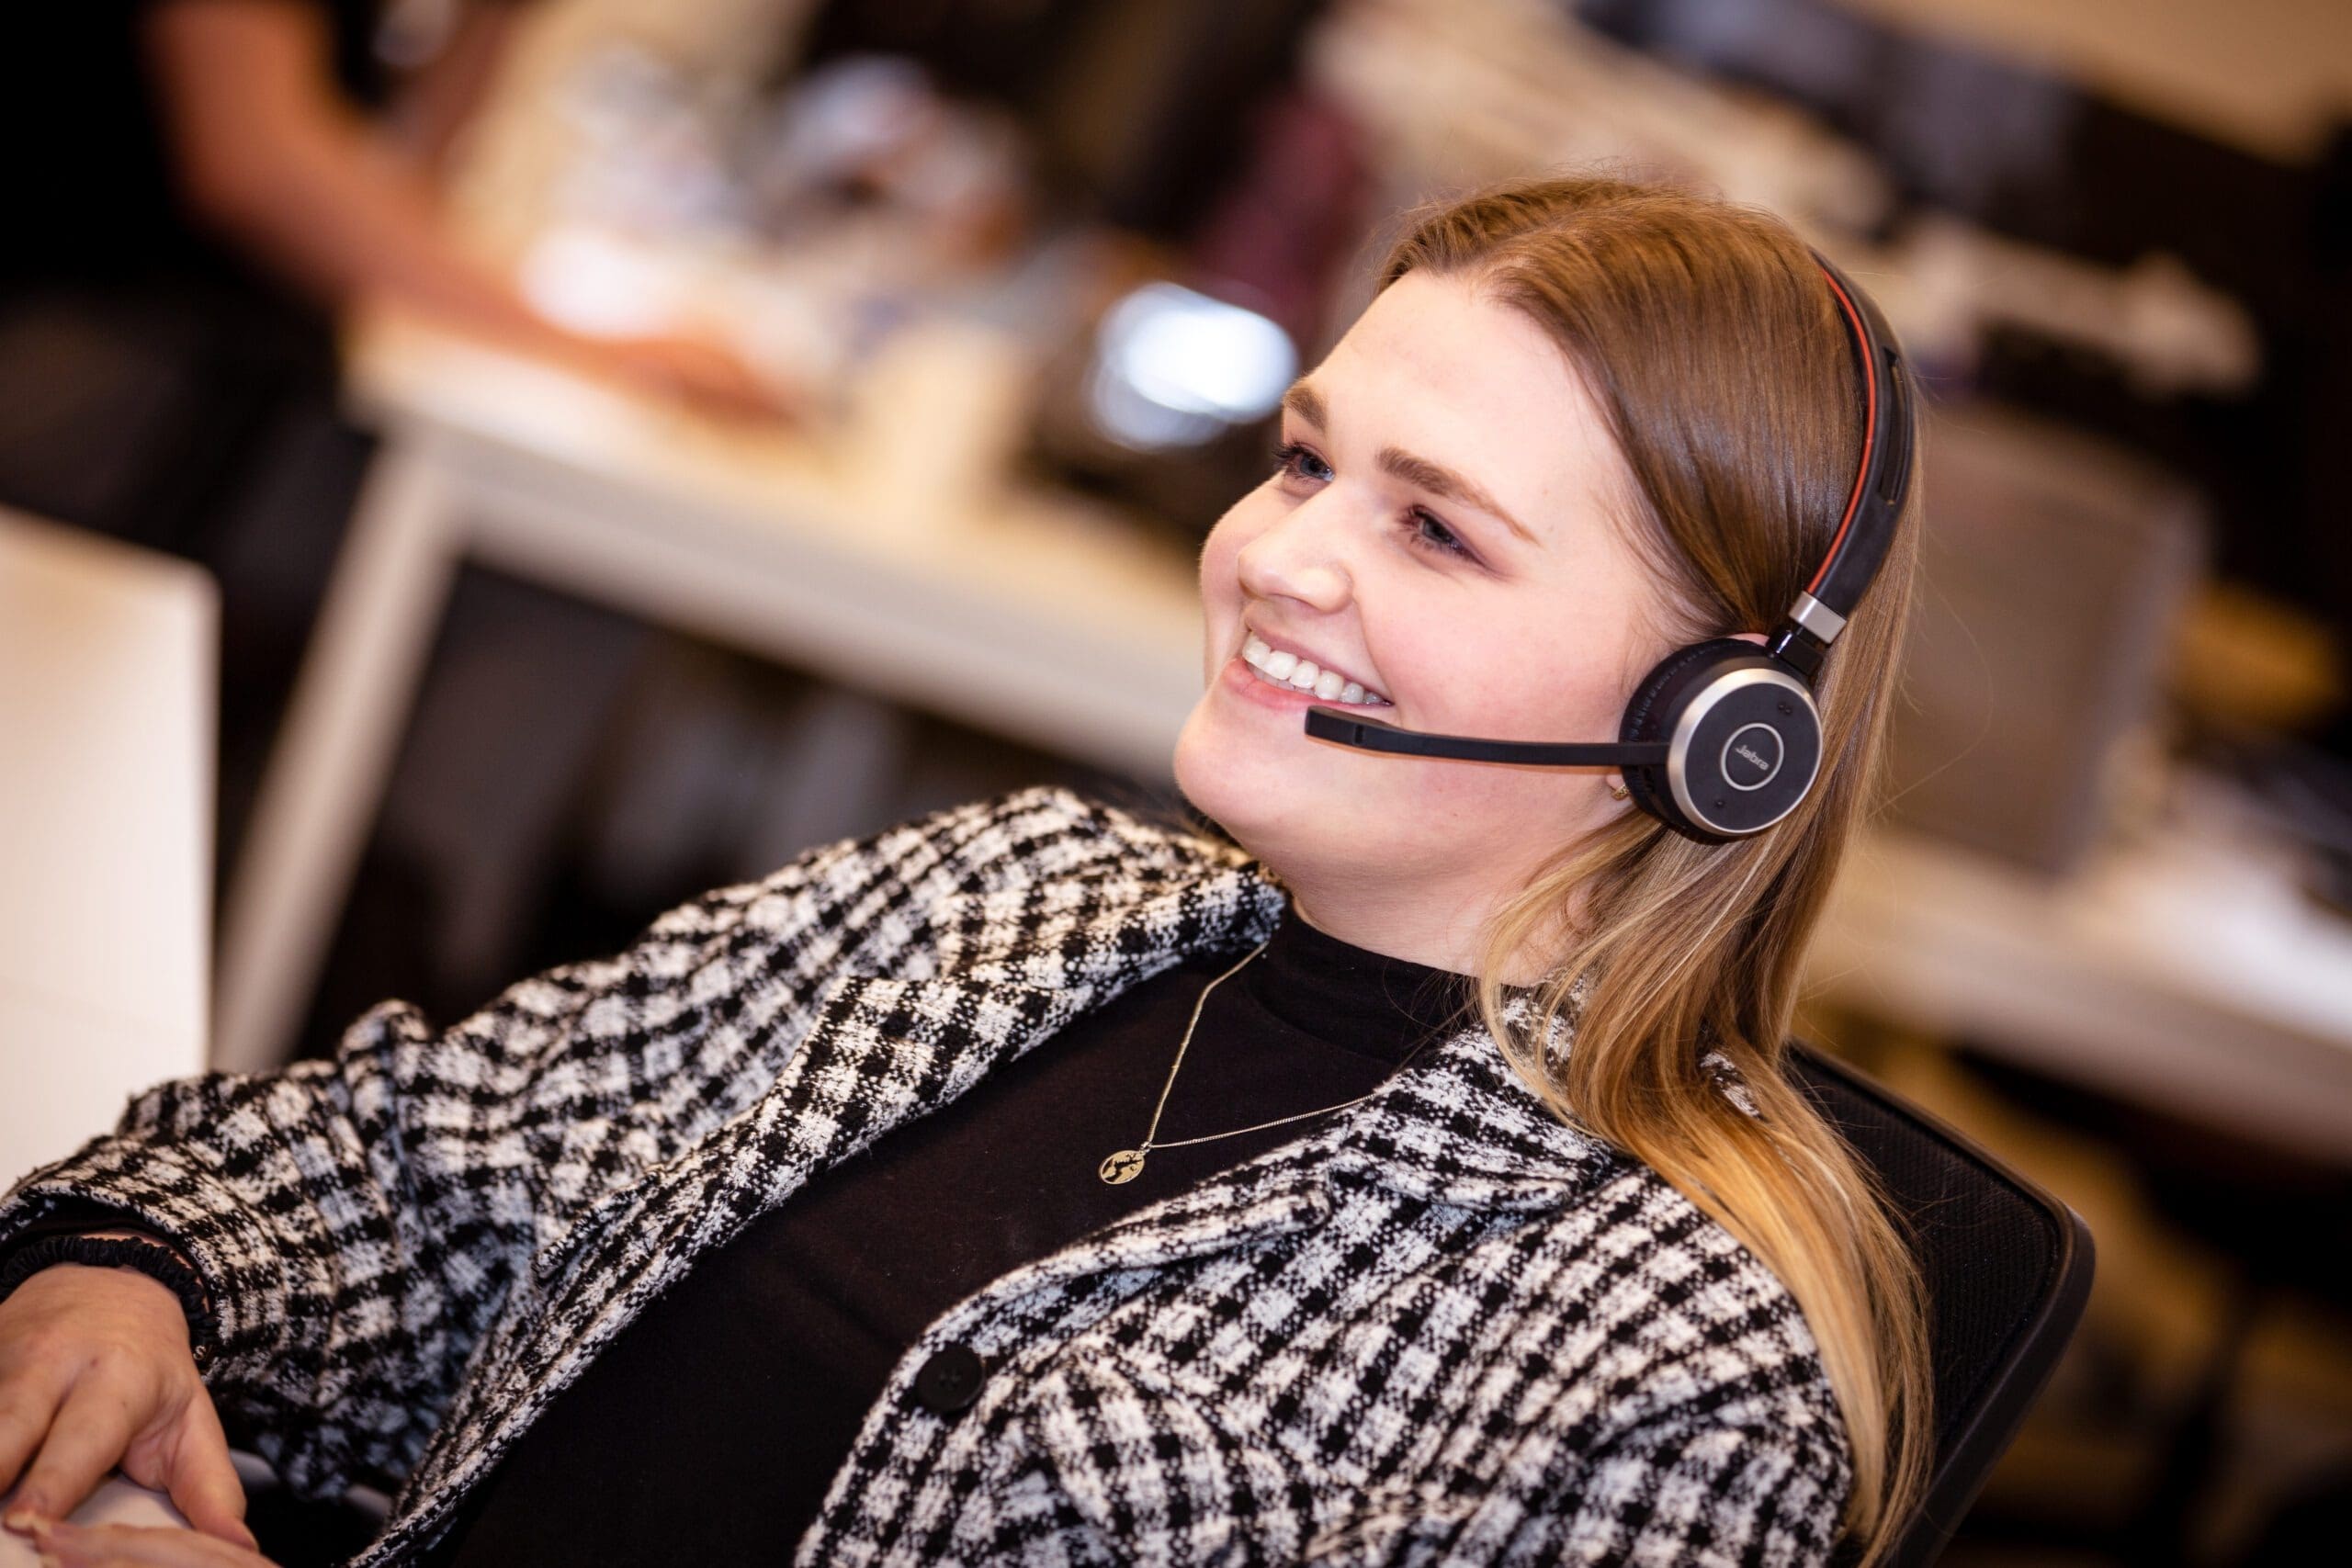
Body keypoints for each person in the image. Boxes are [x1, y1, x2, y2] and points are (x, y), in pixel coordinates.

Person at [0, 171, 1932, 1567]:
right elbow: (419, 1155)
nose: (1276, 556)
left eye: (1434, 531)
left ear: (1714, 720)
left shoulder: (1667, 1374)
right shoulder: (1008, 889)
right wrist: (130, 1272)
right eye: (1301, 460)